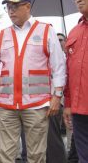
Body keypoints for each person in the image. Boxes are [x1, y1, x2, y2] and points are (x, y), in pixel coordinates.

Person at [0, 0, 66, 163]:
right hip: (7, 105)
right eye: (8, 7)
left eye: (15, 6)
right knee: (5, 154)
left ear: (27, 6)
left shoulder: (46, 30)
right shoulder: (3, 34)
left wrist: (57, 96)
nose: (11, 11)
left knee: (36, 155)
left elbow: (59, 66)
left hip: (36, 104)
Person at [63, 0, 88, 163]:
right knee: (83, 157)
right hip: (79, 111)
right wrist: (68, 104)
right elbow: (68, 73)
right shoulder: (73, 32)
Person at [45, 32, 67, 163]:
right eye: (56, 40)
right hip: (44, 100)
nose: (58, 42)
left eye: (60, 40)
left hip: (57, 100)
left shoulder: (64, 57)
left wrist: (57, 98)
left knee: (53, 138)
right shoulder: (49, 56)